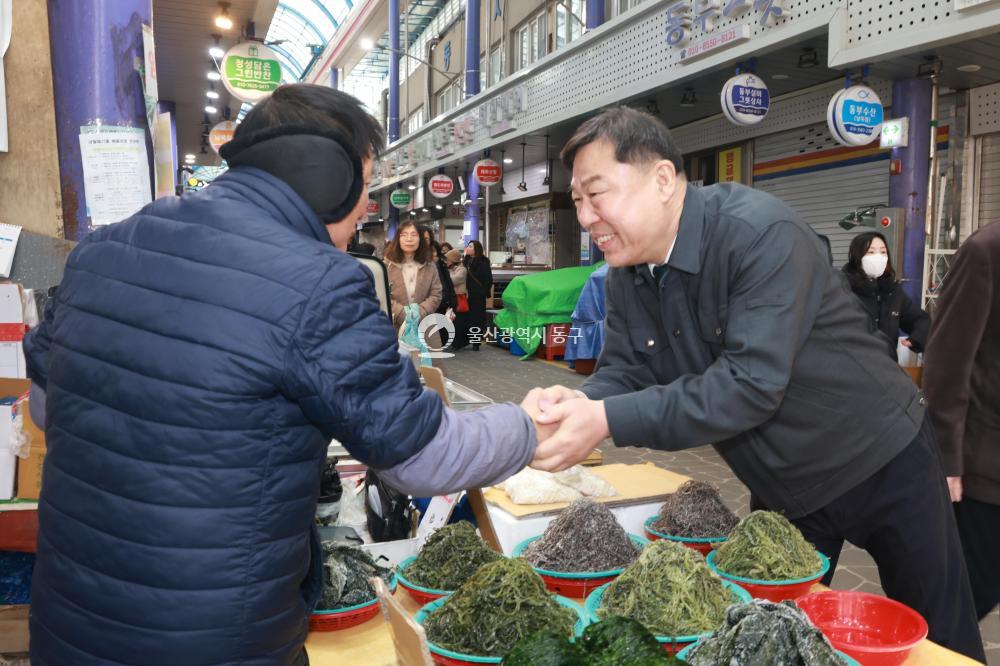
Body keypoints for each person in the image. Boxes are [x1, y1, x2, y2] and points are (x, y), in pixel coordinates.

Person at [21, 84, 546, 666]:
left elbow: (44, 408)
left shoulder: (99, 251)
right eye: (364, 185)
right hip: (219, 642)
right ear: (326, 175)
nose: (364, 210)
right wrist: (529, 427)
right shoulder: (318, 280)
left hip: (68, 627)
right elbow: (423, 459)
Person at [523, 107, 985, 662]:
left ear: (663, 179)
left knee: (941, 639)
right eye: (577, 200)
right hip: (784, 486)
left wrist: (604, 420)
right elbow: (627, 369)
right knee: (772, 643)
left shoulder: (758, 233)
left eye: (596, 194)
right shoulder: (627, 269)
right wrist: (577, 402)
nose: (586, 217)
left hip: (882, 458)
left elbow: (750, 385)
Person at [924, 221, 1000, 622]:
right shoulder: (987, 250)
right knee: (965, 600)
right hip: (985, 471)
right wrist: (948, 460)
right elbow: (947, 362)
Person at [842, 231, 930, 360]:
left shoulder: (892, 291)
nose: (878, 256)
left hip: (886, 365)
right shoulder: (842, 289)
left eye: (883, 252)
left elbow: (920, 319)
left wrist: (917, 338)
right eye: (871, 252)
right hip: (851, 365)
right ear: (857, 256)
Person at [385, 221, 444, 351]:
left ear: (420, 239)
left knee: (427, 362)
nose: (409, 239)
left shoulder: (430, 266)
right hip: (394, 326)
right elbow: (381, 295)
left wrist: (419, 312)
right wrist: (402, 313)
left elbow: (436, 294)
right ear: (398, 239)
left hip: (425, 325)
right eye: (404, 235)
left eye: (414, 235)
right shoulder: (386, 265)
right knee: (396, 362)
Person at [454, 240, 493, 351]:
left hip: (477, 297)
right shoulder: (465, 262)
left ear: (477, 249)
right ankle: (462, 341)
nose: (468, 248)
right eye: (468, 246)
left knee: (477, 319)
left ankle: (476, 343)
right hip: (465, 295)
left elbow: (488, 280)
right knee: (464, 318)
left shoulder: (483, 262)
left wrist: (482, 292)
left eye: (470, 246)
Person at [420, 225, 457, 319]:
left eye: (427, 239)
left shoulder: (439, 263)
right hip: (419, 310)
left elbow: (446, 284)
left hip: (437, 307)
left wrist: (450, 303)